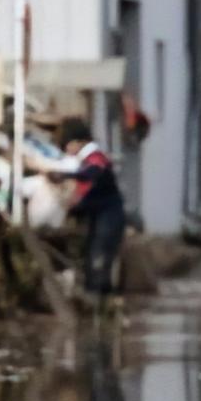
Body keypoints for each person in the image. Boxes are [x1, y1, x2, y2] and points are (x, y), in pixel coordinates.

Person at [49, 116, 126, 296]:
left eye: (67, 145)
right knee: (92, 260)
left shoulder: (95, 158)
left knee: (98, 261)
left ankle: (100, 307)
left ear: (78, 141)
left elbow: (91, 173)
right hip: (101, 217)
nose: (66, 150)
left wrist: (66, 176)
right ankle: (98, 307)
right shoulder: (87, 160)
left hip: (109, 218)